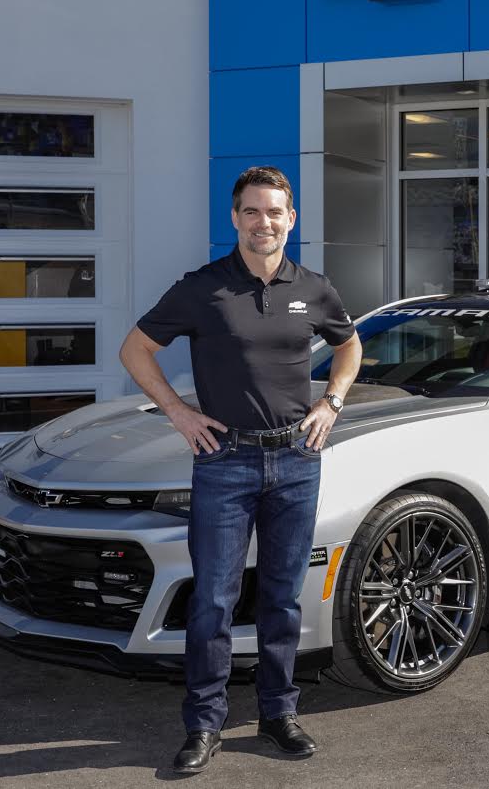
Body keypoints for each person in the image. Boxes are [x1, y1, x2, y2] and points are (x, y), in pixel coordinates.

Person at [119, 166, 362, 774]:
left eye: (275, 212)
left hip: (297, 460)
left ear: (291, 219)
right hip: (224, 462)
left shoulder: (314, 287)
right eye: (252, 212)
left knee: (282, 598)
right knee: (213, 602)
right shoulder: (203, 288)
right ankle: (205, 724)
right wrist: (178, 412)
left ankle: (279, 714)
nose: (264, 223)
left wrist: (330, 403)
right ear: (235, 218)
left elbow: (349, 345)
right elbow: (135, 348)